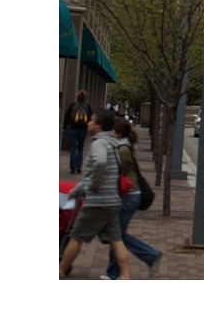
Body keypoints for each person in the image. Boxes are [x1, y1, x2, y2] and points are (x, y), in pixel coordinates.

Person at [59, 109, 131, 279]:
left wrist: (94, 185)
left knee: (76, 236)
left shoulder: (99, 143)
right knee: (116, 239)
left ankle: (60, 270)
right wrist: (78, 190)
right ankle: (125, 275)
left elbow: (99, 164)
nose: (88, 122)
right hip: (112, 200)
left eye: (91, 120)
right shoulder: (113, 142)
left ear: (98, 126)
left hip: (98, 201)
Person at [104, 117, 162, 280]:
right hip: (131, 195)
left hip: (129, 195)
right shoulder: (124, 145)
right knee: (117, 234)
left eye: (112, 130)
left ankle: (115, 272)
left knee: (116, 235)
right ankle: (148, 256)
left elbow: (116, 171)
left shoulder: (122, 149)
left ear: (118, 132)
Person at [63, 89, 93, 174]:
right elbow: (91, 117)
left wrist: (64, 127)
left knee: (73, 148)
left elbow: (67, 116)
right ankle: (79, 166)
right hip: (83, 129)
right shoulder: (87, 106)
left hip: (73, 128)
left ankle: (72, 168)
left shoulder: (73, 105)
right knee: (80, 148)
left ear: (77, 96)